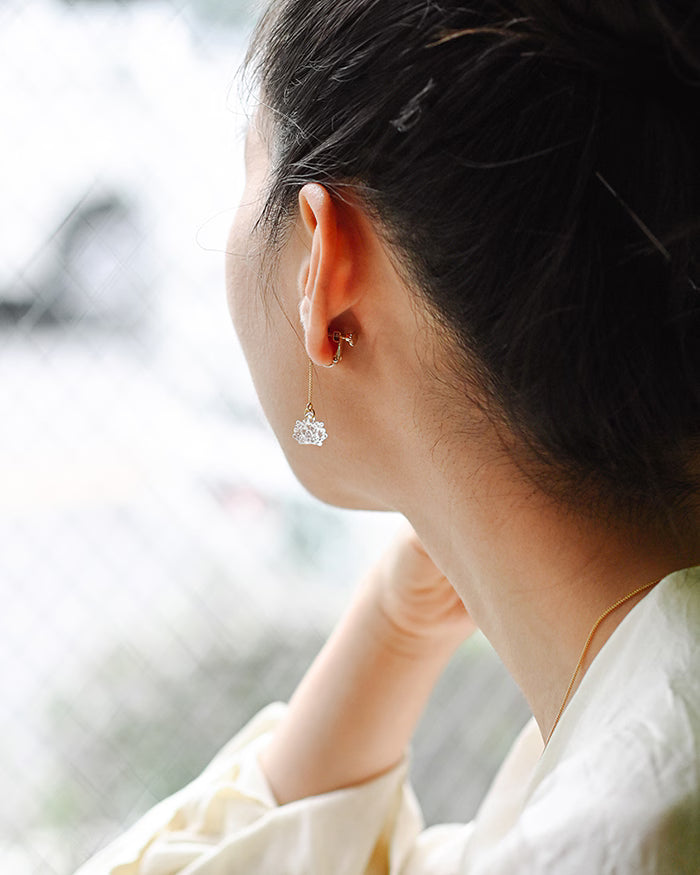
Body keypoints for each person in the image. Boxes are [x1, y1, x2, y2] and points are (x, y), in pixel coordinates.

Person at [76, 0, 700, 872]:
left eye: (248, 168)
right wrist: (394, 627)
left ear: (326, 269)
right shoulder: (637, 734)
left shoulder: (608, 835)